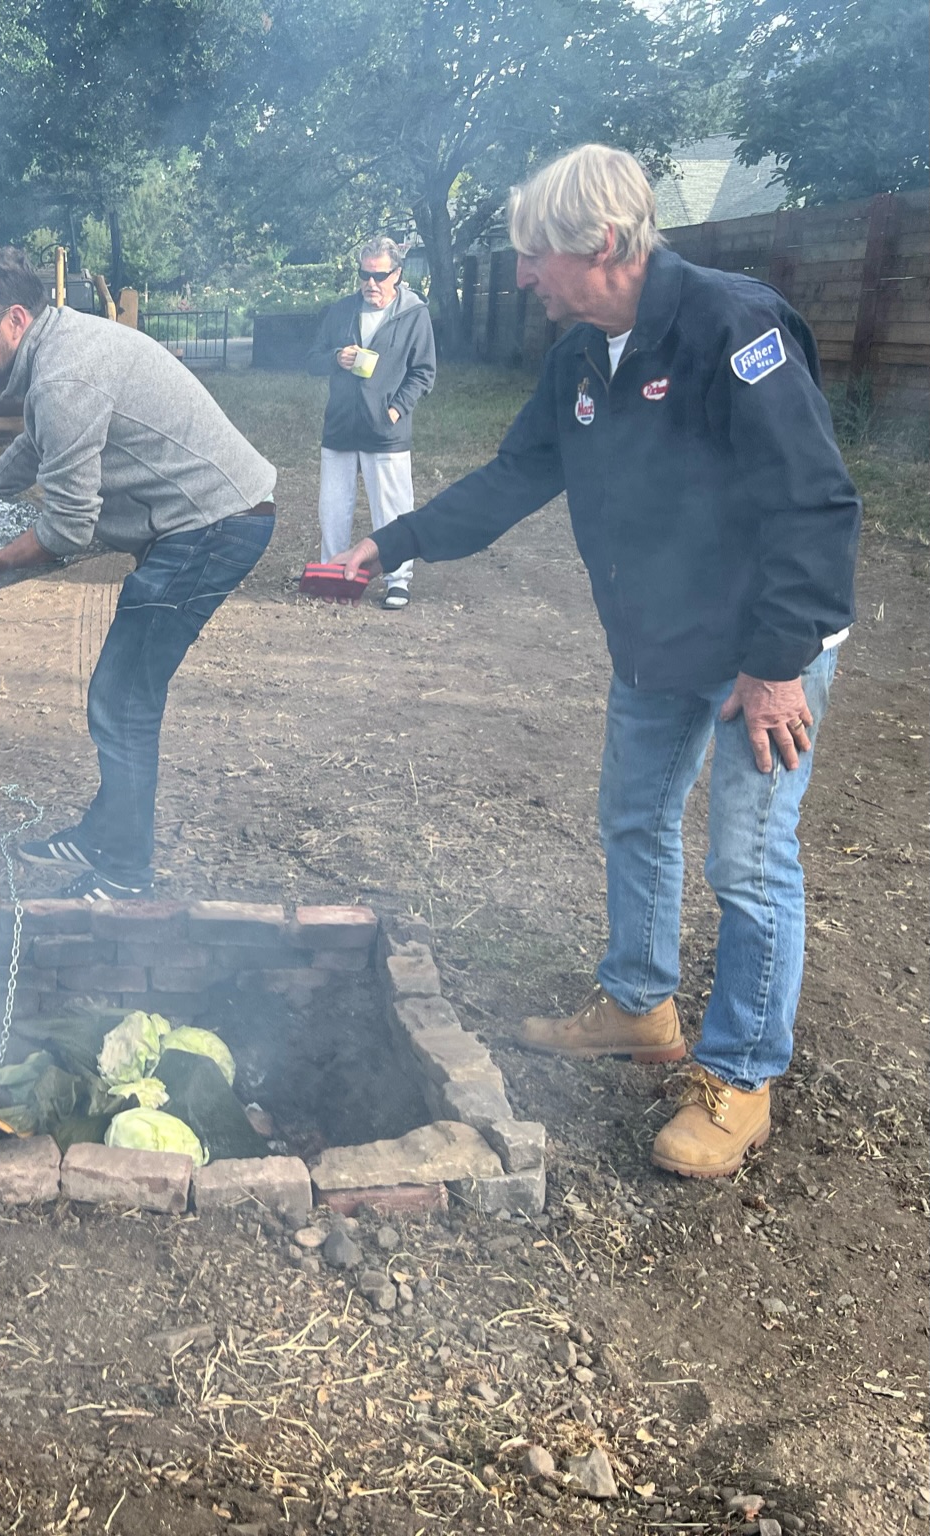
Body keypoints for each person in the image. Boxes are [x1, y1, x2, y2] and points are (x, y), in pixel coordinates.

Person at [331, 145, 859, 1179]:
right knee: (634, 817)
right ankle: (638, 1003)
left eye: (534, 256)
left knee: (748, 863)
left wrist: (779, 662)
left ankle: (741, 1076)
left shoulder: (731, 326)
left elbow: (814, 502)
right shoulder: (579, 356)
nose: (523, 275)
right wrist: (395, 542)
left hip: (767, 648)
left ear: (604, 246)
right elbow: (517, 474)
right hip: (662, 636)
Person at [0, 246, 279, 902]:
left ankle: (124, 872)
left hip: (214, 526)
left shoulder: (66, 373)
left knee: (122, 700)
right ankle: (105, 833)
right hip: (197, 520)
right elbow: (36, 445)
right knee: (119, 694)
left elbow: (64, 527)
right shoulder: (57, 349)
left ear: (11, 320)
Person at [307, 236, 437, 608]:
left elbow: (424, 373)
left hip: (386, 432)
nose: (370, 283)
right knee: (332, 508)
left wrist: (395, 410)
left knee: (393, 509)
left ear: (397, 273)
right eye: (364, 274)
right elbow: (312, 360)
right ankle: (332, 574)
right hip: (341, 427)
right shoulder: (342, 311)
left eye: (379, 275)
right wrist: (336, 357)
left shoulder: (414, 314)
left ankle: (398, 580)